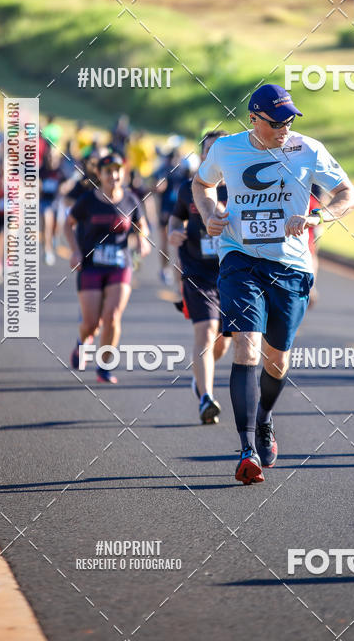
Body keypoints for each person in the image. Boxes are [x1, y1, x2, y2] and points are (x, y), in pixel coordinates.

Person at [191, 84, 354, 484]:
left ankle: (264, 417)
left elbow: (349, 195)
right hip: (240, 258)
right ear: (253, 119)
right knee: (246, 345)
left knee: (276, 360)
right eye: (275, 122)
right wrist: (210, 212)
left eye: (289, 120)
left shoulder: (308, 150)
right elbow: (201, 185)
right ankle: (247, 447)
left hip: (291, 267)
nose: (284, 128)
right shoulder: (226, 149)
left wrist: (318, 217)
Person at [65, 153, 151, 383]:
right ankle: (83, 342)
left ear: (123, 173)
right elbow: (68, 224)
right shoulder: (88, 201)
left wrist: (142, 239)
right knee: (91, 323)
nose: (113, 175)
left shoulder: (131, 200)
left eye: (117, 170)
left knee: (112, 317)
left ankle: (104, 366)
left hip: (119, 266)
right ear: (100, 175)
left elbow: (142, 226)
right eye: (108, 172)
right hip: (91, 266)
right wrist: (74, 250)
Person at [169, 131, 230, 424]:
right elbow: (176, 215)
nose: (212, 157)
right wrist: (173, 231)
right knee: (205, 332)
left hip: (232, 273)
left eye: (219, 151)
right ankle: (206, 397)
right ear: (202, 155)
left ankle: (200, 376)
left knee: (222, 343)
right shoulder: (187, 189)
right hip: (196, 271)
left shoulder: (242, 189)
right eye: (208, 151)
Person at [154, 147, 190, 286]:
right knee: (165, 243)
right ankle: (165, 270)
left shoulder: (183, 173)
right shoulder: (165, 172)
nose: (174, 161)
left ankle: (179, 276)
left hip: (180, 211)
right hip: (167, 211)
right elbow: (158, 187)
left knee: (179, 245)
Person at [39, 148, 68, 266]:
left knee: (57, 226)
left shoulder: (60, 171)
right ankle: (47, 250)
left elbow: (68, 183)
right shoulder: (42, 171)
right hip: (45, 201)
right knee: (47, 223)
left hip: (57, 202)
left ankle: (55, 237)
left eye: (53, 157)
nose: (51, 159)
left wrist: (64, 187)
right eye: (49, 157)